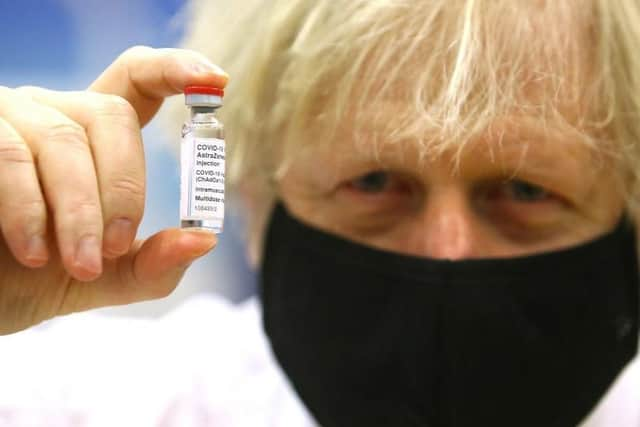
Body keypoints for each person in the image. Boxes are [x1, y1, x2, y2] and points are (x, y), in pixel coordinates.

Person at [0, 0, 639, 425]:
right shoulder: (98, 404)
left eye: (524, 191)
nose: (448, 249)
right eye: (376, 181)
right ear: (253, 192)